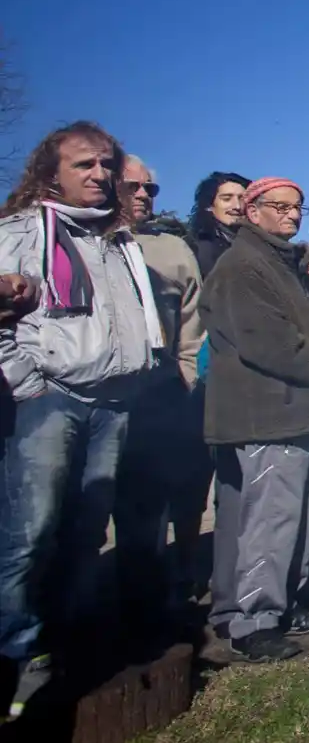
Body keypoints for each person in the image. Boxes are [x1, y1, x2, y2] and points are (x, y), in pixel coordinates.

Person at [0, 122, 163, 713]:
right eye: (83, 166)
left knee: (88, 528)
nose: (99, 175)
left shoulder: (118, 240)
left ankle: (64, 644)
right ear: (51, 174)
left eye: (104, 165)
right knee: (31, 531)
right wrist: (29, 385)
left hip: (113, 402)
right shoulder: (20, 232)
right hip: (48, 400)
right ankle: (19, 650)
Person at [202, 177, 309, 663]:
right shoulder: (243, 266)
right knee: (268, 520)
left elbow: (304, 330)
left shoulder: (276, 263)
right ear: (251, 210)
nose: (290, 215)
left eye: (297, 208)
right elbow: (269, 342)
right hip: (262, 412)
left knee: (287, 516)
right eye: (279, 206)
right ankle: (254, 622)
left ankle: (278, 608)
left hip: (286, 410)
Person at [112, 156, 209, 643]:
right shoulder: (85, 244)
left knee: (174, 497)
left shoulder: (171, 249)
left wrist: (187, 378)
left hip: (167, 395)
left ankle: (171, 590)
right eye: (134, 186)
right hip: (101, 399)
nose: (146, 195)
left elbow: (192, 325)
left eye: (152, 187)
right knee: (113, 512)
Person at [187, 172, 250, 278]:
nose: (237, 206)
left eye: (242, 199)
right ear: (209, 206)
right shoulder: (198, 249)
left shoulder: (259, 245)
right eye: (227, 199)